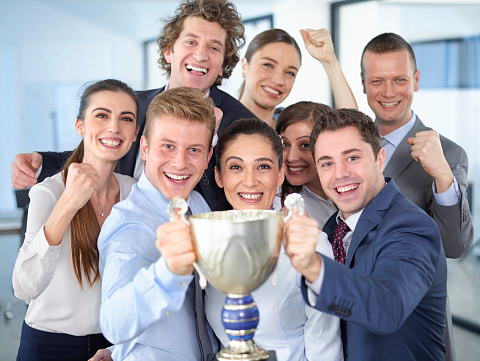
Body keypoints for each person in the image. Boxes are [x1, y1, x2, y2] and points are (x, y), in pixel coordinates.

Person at [11, 0, 255, 212]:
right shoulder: (133, 105)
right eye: (191, 42)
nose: (201, 55)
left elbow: (235, 204)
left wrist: (208, 139)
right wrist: (41, 163)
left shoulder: (242, 123)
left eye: (214, 48)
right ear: (169, 51)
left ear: (223, 65)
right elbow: (94, 155)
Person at [158, 118, 343, 361]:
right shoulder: (206, 239)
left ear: (280, 175)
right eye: (236, 167)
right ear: (219, 176)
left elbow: (326, 345)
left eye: (263, 167)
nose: (250, 181)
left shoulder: (309, 244)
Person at [284, 108, 447, 361]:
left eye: (352, 158)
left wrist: (313, 265)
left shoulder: (411, 226)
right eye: (327, 163)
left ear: (379, 160)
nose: (339, 174)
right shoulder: (331, 229)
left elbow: (388, 307)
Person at [360, 32, 474, 361]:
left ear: (416, 79)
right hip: (348, 313)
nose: (389, 92)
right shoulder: (349, 148)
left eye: (399, 79)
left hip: (413, 326)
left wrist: (441, 174)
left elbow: (455, 246)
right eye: (377, 81)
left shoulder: (449, 154)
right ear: (364, 84)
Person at [12, 79, 139, 361]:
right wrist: (68, 203)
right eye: (102, 115)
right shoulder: (48, 193)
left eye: (126, 119)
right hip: (48, 347)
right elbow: (24, 288)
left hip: (112, 348)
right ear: (80, 125)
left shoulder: (135, 193)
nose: (114, 127)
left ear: (135, 134)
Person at [98, 87, 217, 360]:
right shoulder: (128, 225)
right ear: (145, 148)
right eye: (168, 146)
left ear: (208, 157)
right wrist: (169, 271)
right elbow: (114, 323)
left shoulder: (198, 206)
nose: (180, 162)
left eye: (194, 150)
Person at [238, 28, 357, 127]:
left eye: (290, 73)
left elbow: (352, 126)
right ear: (244, 66)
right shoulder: (221, 120)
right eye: (268, 65)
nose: (279, 80)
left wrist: (330, 62)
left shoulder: (290, 127)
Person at [275, 101, 337, 227]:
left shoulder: (349, 190)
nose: (291, 158)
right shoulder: (277, 199)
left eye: (305, 145)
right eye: (285, 144)